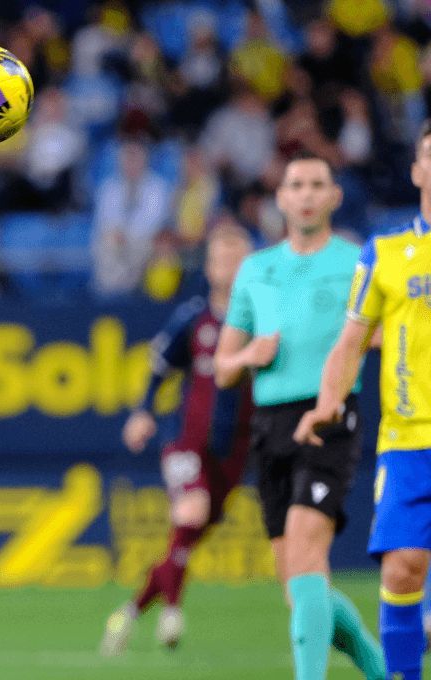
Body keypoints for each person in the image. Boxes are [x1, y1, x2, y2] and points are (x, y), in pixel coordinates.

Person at [213, 152, 384, 680]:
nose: (307, 193)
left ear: (334, 196)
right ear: (281, 198)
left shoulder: (358, 261)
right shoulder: (256, 268)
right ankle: (380, 669)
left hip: (329, 414)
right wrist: (247, 358)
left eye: (317, 184)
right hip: (270, 424)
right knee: (301, 589)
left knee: (308, 560)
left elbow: (381, 331)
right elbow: (222, 366)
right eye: (296, 185)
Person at [294, 120, 431, 680]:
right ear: (419, 169)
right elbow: (350, 342)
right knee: (403, 568)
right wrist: (328, 400)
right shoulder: (385, 253)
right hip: (407, 441)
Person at [100, 225, 255, 656]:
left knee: (184, 540)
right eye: (222, 258)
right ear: (209, 266)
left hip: (234, 449)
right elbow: (159, 365)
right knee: (191, 511)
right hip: (186, 439)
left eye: (237, 258)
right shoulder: (195, 316)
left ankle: (129, 613)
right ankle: (172, 612)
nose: (229, 266)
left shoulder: (260, 319)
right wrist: (143, 410)